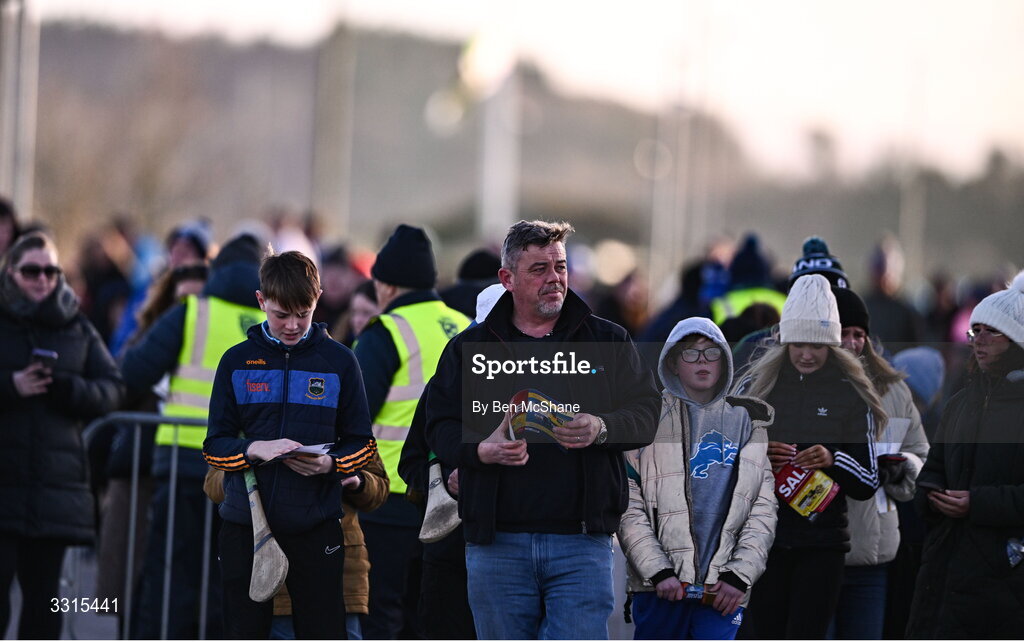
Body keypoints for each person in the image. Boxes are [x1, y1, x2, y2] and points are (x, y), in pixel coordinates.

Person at [424, 219, 661, 639]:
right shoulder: (468, 348)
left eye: (561, 267)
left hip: (581, 545)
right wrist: (481, 449)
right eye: (539, 269)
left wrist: (602, 427)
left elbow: (647, 412)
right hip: (496, 545)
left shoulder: (608, 340)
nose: (554, 278)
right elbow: (438, 425)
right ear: (507, 278)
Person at [203, 250, 378, 639]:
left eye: (304, 312)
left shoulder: (340, 361)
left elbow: (363, 444)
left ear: (318, 297)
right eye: (282, 314)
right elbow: (214, 447)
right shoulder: (236, 362)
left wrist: (331, 465)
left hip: (316, 528)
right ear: (261, 301)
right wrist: (252, 451)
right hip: (245, 526)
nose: (293, 325)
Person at [121, 231, 266, 639]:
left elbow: (133, 371)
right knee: (230, 576)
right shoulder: (272, 324)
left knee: (171, 572)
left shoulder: (193, 312)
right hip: (243, 471)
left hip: (183, 463)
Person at [736, 274, 882, 639]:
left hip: (823, 547)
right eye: (797, 343)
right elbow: (719, 460)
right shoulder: (756, 387)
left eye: (816, 345)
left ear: (832, 344)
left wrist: (832, 458)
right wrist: (758, 455)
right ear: (783, 340)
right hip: (762, 540)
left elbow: (868, 480)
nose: (806, 354)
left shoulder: (851, 393)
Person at [618, 317, 777, 640]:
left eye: (711, 353)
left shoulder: (747, 422)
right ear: (673, 363)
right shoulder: (647, 420)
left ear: (725, 361)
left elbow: (762, 510)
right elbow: (627, 502)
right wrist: (657, 571)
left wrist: (738, 576)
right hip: (660, 589)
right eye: (690, 353)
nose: (702, 361)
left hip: (722, 590)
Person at [0, 231, 125, 639]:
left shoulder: (76, 324)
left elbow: (112, 389)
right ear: (11, 272)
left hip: (53, 484)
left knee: (45, 600)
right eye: (31, 271)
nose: (42, 279)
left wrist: (68, 389)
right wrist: (11, 385)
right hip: (5, 478)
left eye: (51, 271)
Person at [353, 224, 470, 639]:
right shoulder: (466, 325)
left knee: (380, 607)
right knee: (434, 613)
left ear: (385, 284)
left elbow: (351, 410)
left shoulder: (386, 330)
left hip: (391, 495)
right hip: (453, 492)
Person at [906, 270, 1024, 638]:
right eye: (975, 331)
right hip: (944, 567)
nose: (978, 341)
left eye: (991, 331)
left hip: (1003, 576)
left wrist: (977, 503)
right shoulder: (961, 403)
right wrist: (931, 494)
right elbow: (934, 467)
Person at [828, 288, 929, 639]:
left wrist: (903, 469)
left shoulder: (895, 392)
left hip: (874, 556)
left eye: (859, 334)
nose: (852, 342)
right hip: (815, 553)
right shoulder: (805, 389)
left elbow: (922, 454)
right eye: (843, 332)